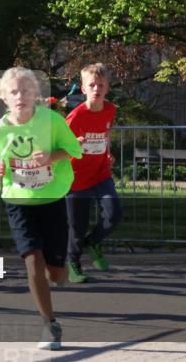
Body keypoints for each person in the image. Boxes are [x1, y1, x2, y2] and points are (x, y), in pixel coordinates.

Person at [0, 67, 82, 350]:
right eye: (14, 92)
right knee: (33, 263)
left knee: (56, 274)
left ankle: (62, 266)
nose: (21, 96)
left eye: (27, 91)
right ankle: (49, 325)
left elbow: (74, 150)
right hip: (19, 201)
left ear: (36, 95)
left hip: (51, 200)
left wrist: (50, 157)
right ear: (4, 97)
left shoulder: (51, 120)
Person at [63, 63, 122, 283]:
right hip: (76, 178)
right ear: (84, 89)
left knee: (114, 213)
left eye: (101, 85)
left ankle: (94, 242)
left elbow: (104, 133)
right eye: (92, 85)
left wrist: (108, 152)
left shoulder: (110, 110)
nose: (96, 89)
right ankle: (74, 264)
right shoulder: (76, 116)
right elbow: (59, 145)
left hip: (100, 173)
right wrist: (72, 145)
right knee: (77, 227)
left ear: (107, 88)